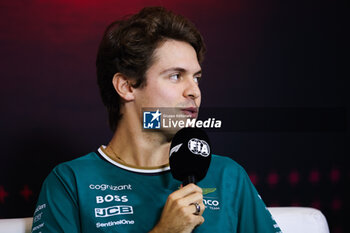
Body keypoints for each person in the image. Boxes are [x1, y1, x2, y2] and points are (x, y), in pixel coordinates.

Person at [31, 6, 282, 233]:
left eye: (196, 77)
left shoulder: (228, 176)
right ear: (127, 86)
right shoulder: (70, 182)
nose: (194, 91)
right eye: (175, 76)